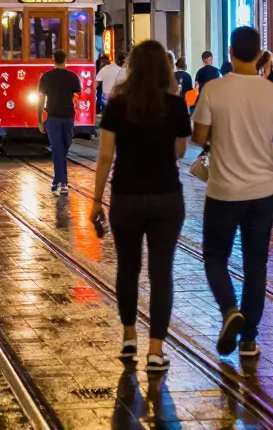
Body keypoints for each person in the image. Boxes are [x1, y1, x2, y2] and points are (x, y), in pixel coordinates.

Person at [191, 26, 273, 358]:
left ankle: (229, 310)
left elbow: (198, 138)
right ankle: (249, 339)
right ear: (259, 55)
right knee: (256, 266)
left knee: (214, 257)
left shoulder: (213, 89)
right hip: (262, 192)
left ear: (230, 53)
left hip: (223, 190)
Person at [90, 41, 190, 372]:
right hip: (166, 196)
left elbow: (105, 157)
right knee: (161, 273)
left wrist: (95, 200)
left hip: (126, 196)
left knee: (128, 268)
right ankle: (156, 351)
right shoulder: (175, 106)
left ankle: (129, 337)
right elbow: (179, 151)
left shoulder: (118, 106)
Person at [39, 49, 82, 195]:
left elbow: (41, 100)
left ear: (53, 59)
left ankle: (58, 181)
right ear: (65, 60)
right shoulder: (72, 77)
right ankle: (62, 183)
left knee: (58, 150)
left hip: (53, 117)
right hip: (68, 117)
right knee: (62, 148)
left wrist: (40, 120)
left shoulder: (46, 77)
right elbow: (77, 93)